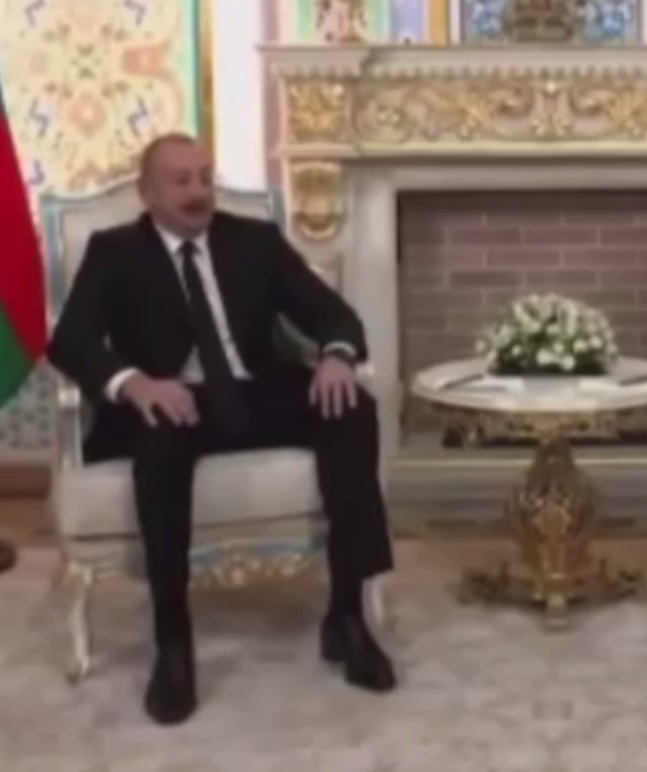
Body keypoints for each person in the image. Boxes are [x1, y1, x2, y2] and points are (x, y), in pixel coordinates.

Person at [48, 133, 397, 725]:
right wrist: (135, 383)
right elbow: (71, 340)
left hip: (254, 390)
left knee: (350, 407)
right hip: (172, 399)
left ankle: (346, 617)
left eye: (205, 178)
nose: (198, 192)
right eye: (181, 180)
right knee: (160, 435)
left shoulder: (253, 241)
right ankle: (173, 646)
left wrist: (337, 356)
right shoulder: (114, 251)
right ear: (148, 191)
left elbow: (331, 313)